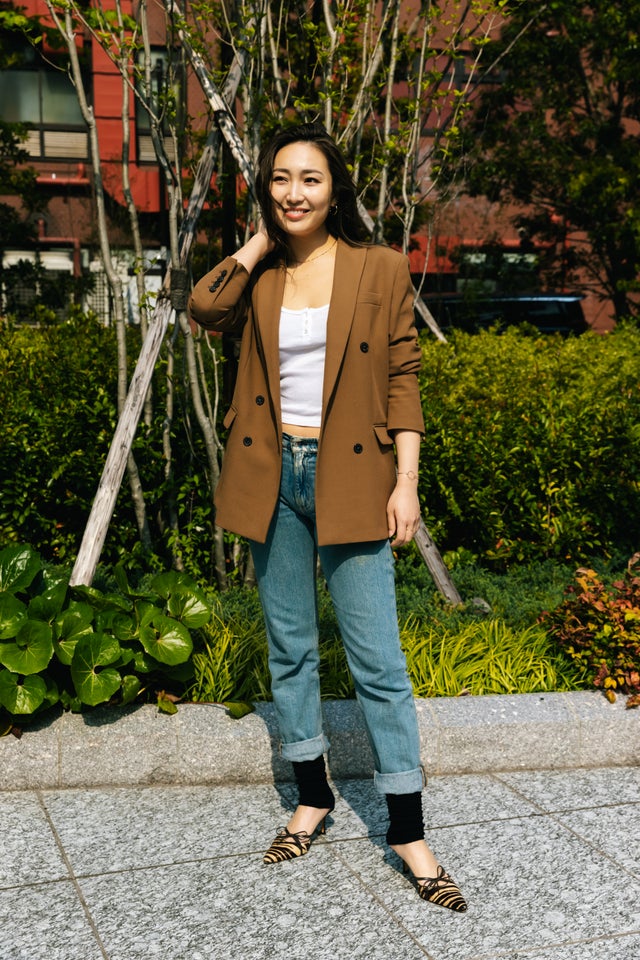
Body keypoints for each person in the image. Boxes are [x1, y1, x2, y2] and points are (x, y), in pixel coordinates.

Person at [188, 121, 467, 913]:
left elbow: (404, 376)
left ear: (334, 187)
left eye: (310, 179)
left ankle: (409, 833)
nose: (294, 193)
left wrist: (407, 482)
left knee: (379, 662)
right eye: (280, 179)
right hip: (271, 473)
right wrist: (255, 243)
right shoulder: (262, 273)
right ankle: (311, 799)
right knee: (291, 648)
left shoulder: (379, 267)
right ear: (266, 191)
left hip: (352, 477)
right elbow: (203, 306)